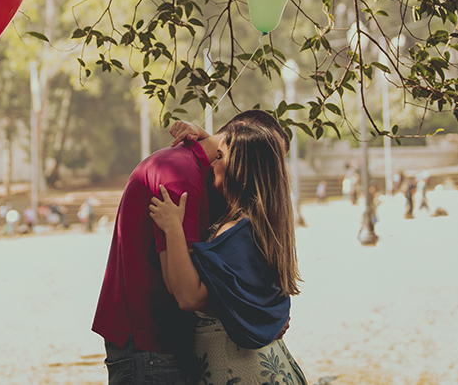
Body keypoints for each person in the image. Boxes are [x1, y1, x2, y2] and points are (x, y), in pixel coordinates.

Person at [92, 110, 288, 385]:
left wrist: (263, 315)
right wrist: (260, 315)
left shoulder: (223, 190)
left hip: (177, 339)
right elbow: (187, 294)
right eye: (265, 156)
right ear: (241, 137)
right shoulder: (178, 174)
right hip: (150, 342)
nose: (269, 171)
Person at [149, 122, 308, 385]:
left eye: (220, 156)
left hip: (238, 368)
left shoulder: (234, 232)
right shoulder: (262, 225)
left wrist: (173, 228)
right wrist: (205, 136)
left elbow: (189, 297)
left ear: (240, 169)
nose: (212, 162)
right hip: (269, 362)